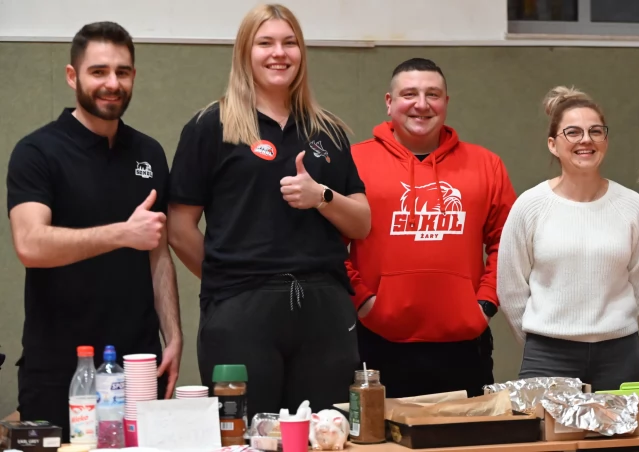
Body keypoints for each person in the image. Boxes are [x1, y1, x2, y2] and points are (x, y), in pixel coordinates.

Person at [167, 4, 370, 415]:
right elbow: (179, 228)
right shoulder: (210, 126)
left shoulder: (328, 131)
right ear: (245, 52)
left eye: (289, 43)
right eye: (265, 43)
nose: (279, 53)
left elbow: (362, 222)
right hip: (240, 310)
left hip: (323, 308)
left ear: (301, 52)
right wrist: (231, 278)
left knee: (325, 434)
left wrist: (321, 196)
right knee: (244, 434)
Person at [6, 21, 182, 442]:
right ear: (73, 76)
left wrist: (173, 336)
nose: (112, 83)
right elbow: (30, 244)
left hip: (139, 363)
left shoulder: (149, 152)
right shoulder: (37, 151)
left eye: (122, 72)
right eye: (98, 71)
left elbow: (157, 252)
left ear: (133, 76)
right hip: (61, 368)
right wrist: (122, 234)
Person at [344, 58, 517, 398]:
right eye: (409, 94)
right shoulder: (354, 162)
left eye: (432, 94)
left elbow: (508, 244)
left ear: (446, 102)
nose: (422, 104)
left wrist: (484, 304)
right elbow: (328, 245)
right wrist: (363, 301)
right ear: (389, 102)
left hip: (465, 343)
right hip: (377, 341)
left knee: (468, 432)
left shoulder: (486, 165)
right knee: (380, 433)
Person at [497, 86, 639, 392]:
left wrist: (611, 327)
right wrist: (540, 338)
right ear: (553, 145)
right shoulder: (530, 205)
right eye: (573, 132)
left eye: (595, 131)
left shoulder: (631, 205)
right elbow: (510, 287)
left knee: (616, 427)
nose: (586, 140)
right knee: (546, 427)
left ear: (605, 140)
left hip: (618, 354)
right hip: (548, 354)